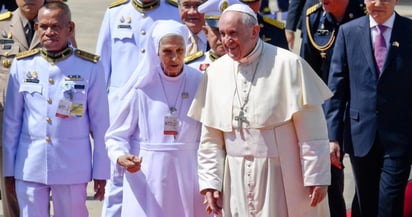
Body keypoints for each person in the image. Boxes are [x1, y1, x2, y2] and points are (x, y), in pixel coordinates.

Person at [188, 3, 332, 217]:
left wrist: (317, 176)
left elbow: (313, 132)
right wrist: (210, 183)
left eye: (233, 34)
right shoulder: (215, 72)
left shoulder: (289, 65)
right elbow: (210, 140)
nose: (226, 40)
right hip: (235, 177)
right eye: (222, 33)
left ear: (254, 32)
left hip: (282, 175)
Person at [2, 2, 110, 217]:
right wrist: (9, 171)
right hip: (29, 166)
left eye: (55, 27)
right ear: (37, 28)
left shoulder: (89, 66)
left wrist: (101, 172)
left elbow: (100, 125)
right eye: (43, 27)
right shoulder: (23, 65)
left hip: (71, 168)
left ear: (69, 28)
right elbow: (12, 123)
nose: (49, 32)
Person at [105, 19, 206, 217]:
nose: (175, 58)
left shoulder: (199, 81)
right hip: (148, 175)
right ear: (156, 51)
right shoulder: (142, 87)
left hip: (188, 174)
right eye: (168, 51)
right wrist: (120, 156)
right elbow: (116, 136)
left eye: (180, 50)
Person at [325, 0, 412, 216]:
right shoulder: (348, 32)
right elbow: (337, 88)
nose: (378, 4)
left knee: (389, 204)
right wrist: (332, 137)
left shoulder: (409, 32)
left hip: (400, 138)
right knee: (366, 203)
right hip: (360, 135)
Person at [95, 0, 180, 216]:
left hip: (157, 109)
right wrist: (100, 118)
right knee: (116, 184)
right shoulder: (116, 12)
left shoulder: (172, 11)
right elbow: (102, 68)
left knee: (152, 181)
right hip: (119, 113)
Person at [299, 0, 366, 217]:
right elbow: (306, 70)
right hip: (328, 109)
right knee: (330, 173)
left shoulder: (365, 13)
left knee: (365, 176)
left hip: (362, 106)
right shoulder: (313, 17)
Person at [0, 0, 44, 216]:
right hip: (5, 114)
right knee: (7, 181)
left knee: (42, 180)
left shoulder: (55, 22)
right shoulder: (1, 25)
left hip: (42, 117)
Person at [185, 0, 228, 71]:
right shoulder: (192, 67)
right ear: (206, 32)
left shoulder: (248, 65)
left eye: (231, 32)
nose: (222, 38)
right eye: (216, 31)